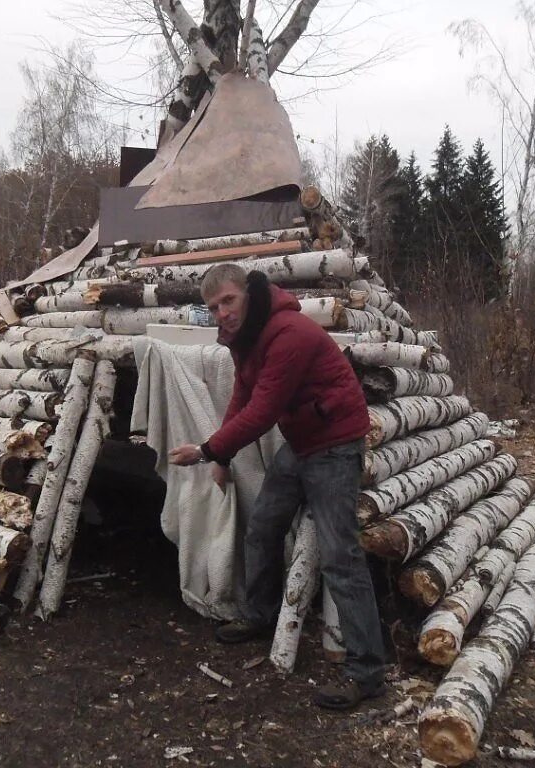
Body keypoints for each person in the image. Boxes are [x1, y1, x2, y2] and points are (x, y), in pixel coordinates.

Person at [168, 263, 387, 710]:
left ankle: (367, 672)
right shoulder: (244, 338)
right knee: (263, 526)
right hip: (303, 442)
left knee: (340, 558)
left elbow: (263, 411)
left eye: (228, 300)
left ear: (249, 292)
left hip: (335, 444)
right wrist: (224, 455)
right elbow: (241, 398)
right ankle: (259, 614)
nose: (222, 313)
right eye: (213, 307)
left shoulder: (287, 332)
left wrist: (208, 450)